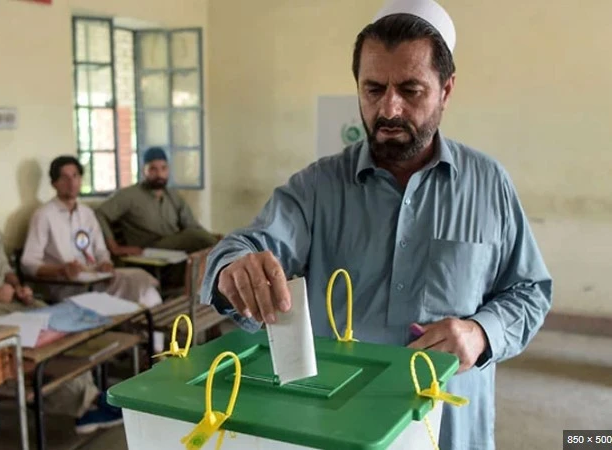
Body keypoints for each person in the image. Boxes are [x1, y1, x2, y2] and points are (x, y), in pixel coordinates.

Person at [199, 1, 553, 450]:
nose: (389, 109)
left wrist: (482, 332)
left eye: (411, 90)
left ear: (446, 90)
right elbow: (249, 244)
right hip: (338, 424)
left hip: (447, 429)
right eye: (373, 89)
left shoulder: (488, 185)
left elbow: (530, 291)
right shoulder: (317, 188)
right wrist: (235, 267)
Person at [0, 163, 122, 436]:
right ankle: (86, 403)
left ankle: (88, 395)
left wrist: (19, 289)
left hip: (10, 300)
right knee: (27, 339)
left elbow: (6, 272)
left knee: (65, 323)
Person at [20, 155, 163, 308]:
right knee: (136, 292)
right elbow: (28, 263)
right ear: (54, 183)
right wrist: (61, 270)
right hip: (66, 286)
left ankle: (153, 328)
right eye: (64, 178)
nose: (71, 182)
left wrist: (105, 264)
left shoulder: (87, 213)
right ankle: (148, 328)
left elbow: (100, 250)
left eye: (75, 176)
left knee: (141, 282)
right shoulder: (43, 215)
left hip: (96, 279)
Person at [95, 146, 219, 257]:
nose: (159, 174)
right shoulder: (129, 195)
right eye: (153, 169)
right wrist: (115, 248)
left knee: (209, 242)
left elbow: (192, 225)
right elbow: (100, 213)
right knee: (196, 237)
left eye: (163, 168)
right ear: (144, 170)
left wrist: (214, 239)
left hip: (176, 253)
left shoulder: (173, 196)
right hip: (149, 250)